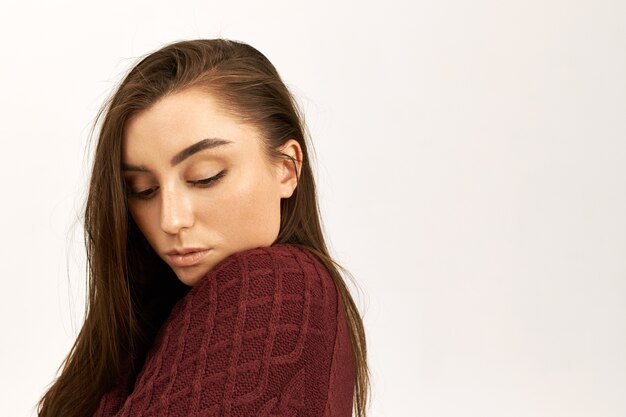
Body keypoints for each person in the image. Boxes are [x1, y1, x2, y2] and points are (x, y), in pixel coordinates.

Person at [36, 39, 370, 417]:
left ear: (286, 168)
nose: (172, 220)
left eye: (205, 177)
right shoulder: (158, 317)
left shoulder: (276, 283)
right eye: (143, 190)